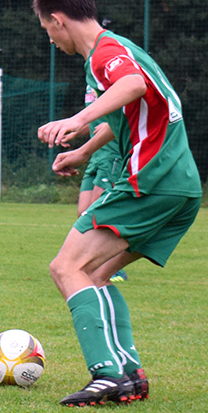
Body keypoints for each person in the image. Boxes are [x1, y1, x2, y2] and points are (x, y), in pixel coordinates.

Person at [33, 0, 201, 406]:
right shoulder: (121, 48)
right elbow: (133, 107)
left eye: (47, 30)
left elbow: (132, 85)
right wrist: (85, 150)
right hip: (179, 186)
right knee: (96, 273)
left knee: (65, 267)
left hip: (151, 181)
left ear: (59, 19)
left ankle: (107, 375)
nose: (50, 39)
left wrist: (77, 118)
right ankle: (129, 373)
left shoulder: (106, 53)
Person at [78, 88, 127, 283]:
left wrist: (111, 125)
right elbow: (92, 124)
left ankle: (114, 268)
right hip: (96, 156)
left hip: (112, 155)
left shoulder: (113, 74)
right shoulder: (91, 80)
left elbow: (133, 113)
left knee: (99, 213)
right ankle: (93, 263)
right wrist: (70, 131)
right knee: (83, 212)